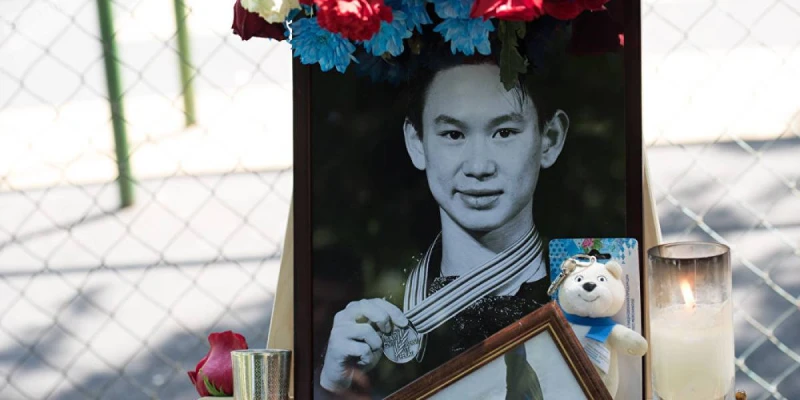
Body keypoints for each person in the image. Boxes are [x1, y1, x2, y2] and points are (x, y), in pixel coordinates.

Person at [317, 56, 570, 397]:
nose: (479, 166)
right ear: (416, 143)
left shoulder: (585, 292)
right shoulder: (380, 318)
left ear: (550, 139)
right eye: (453, 134)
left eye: (504, 133)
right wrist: (335, 388)